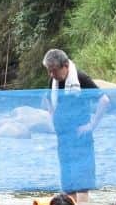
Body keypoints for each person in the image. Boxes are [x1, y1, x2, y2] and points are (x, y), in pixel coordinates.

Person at [42, 48, 109, 197]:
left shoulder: (81, 78)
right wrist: (53, 117)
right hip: (64, 139)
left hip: (81, 138)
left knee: (83, 184)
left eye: (53, 70)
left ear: (65, 65)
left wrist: (91, 126)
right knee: (68, 185)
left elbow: (104, 100)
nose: (51, 74)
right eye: (49, 71)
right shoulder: (53, 81)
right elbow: (47, 99)